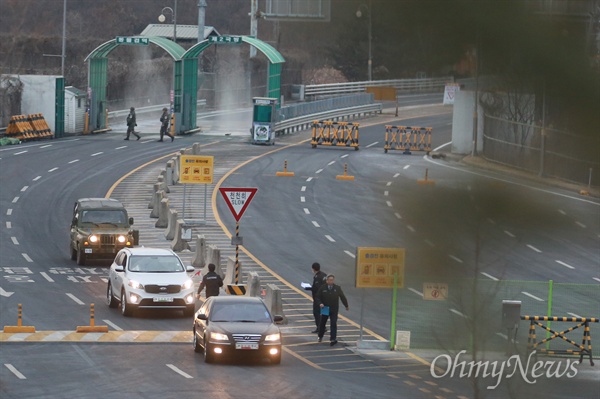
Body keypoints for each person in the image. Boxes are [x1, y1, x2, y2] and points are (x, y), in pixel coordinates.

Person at [316, 274, 349, 346]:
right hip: (325, 308)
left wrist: (346, 305)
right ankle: (320, 336)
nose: (331, 281)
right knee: (322, 323)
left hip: (334, 309)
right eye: (330, 280)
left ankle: (333, 338)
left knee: (333, 323)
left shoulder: (337, 288)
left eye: (332, 280)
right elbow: (317, 297)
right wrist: (320, 303)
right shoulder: (322, 288)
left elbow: (342, 297)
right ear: (327, 281)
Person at [304, 262, 327, 333]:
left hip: (318, 299)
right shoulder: (324, 275)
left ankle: (319, 328)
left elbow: (316, 288)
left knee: (316, 313)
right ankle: (324, 327)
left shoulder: (317, 277)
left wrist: (308, 288)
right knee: (324, 313)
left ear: (313, 269)